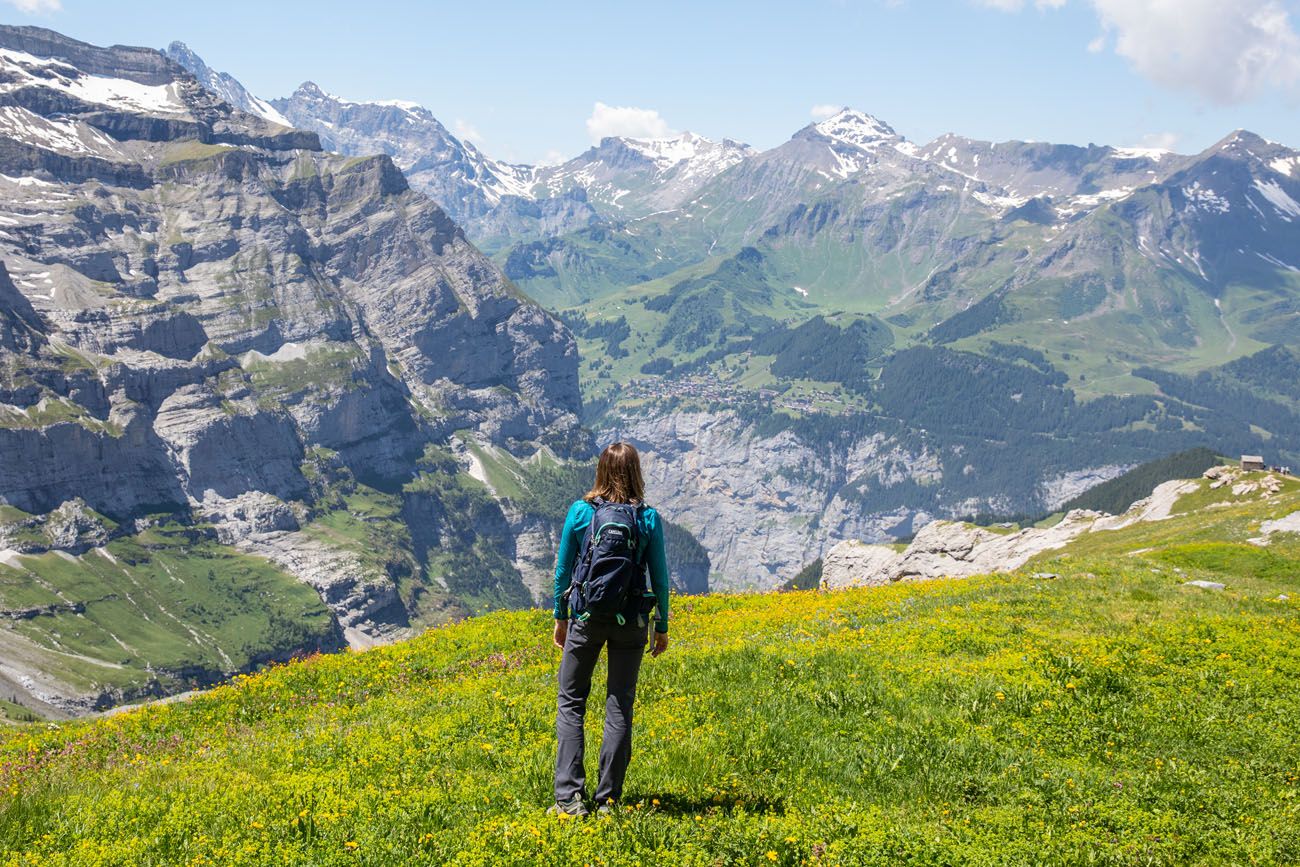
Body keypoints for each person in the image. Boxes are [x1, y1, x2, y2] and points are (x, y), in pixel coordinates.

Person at [549, 442, 670, 818]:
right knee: (619, 706)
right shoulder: (647, 518)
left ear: (600, 470)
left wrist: (561, 615)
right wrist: (661, 625)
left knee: (572, 703)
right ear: (636, 472)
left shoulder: (581, 512)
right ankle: (608, 800)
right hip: (630, 623)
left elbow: (563, 570)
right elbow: (661, 579)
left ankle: (569, 800)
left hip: (586, 619)